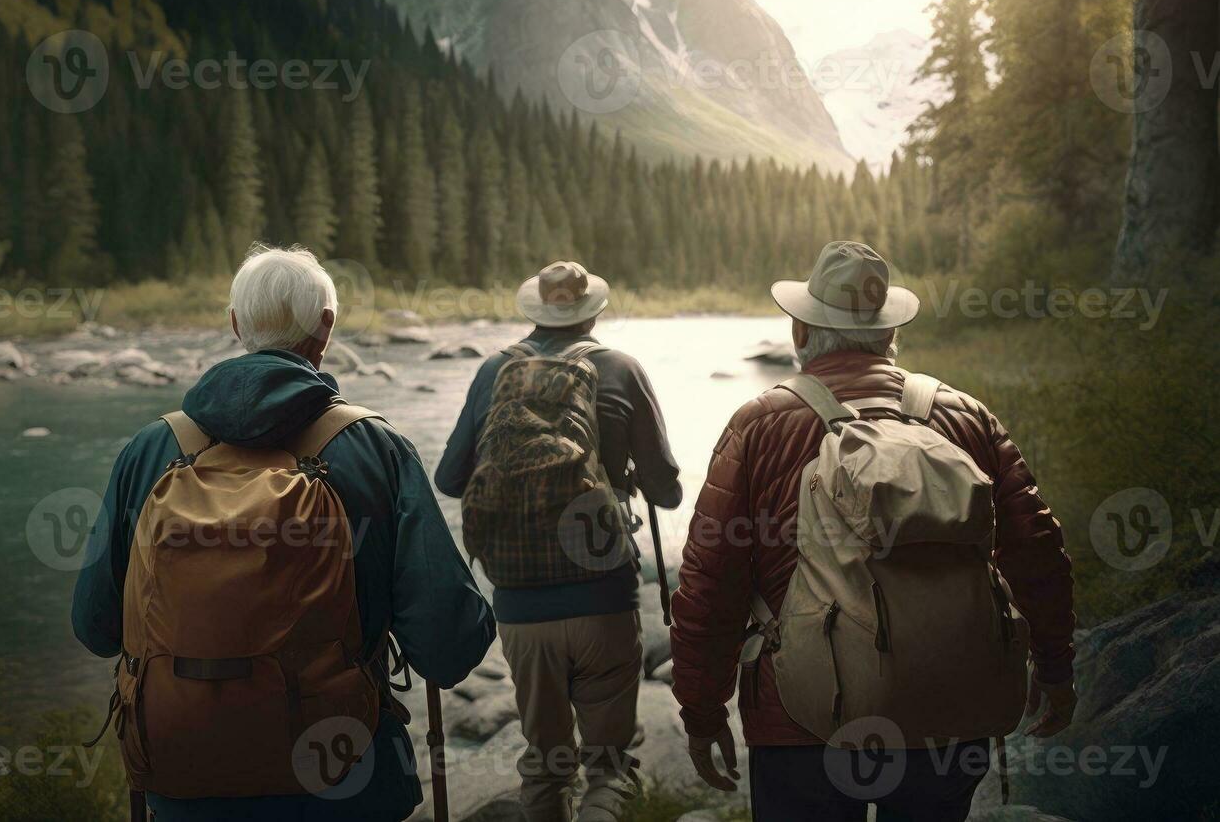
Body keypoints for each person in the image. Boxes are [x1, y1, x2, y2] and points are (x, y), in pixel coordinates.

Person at [72, 244, 495, 822]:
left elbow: (96, 628)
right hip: (342, 779)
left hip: (185, 781)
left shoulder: (152, 450)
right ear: (326, 327)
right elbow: (448, 645)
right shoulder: (374, 448)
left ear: (234, 325)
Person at [669, 241, 1077, 822]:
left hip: (803, 721)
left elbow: (710, 585)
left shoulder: (759, 426)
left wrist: (702, 712)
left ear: (801, 333)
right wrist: (1055, 666)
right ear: (889, 336)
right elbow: (1038, 552)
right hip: (950, 705)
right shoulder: (964, 415)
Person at [436, 261, 682, 822]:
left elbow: (449, 479)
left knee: (545, 766)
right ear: (594, 310)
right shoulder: (621, 368)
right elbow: (667, 492)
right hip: (603, 598)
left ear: (536, 312)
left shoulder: (494, 372)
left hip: (522, 608)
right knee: (609, 770)